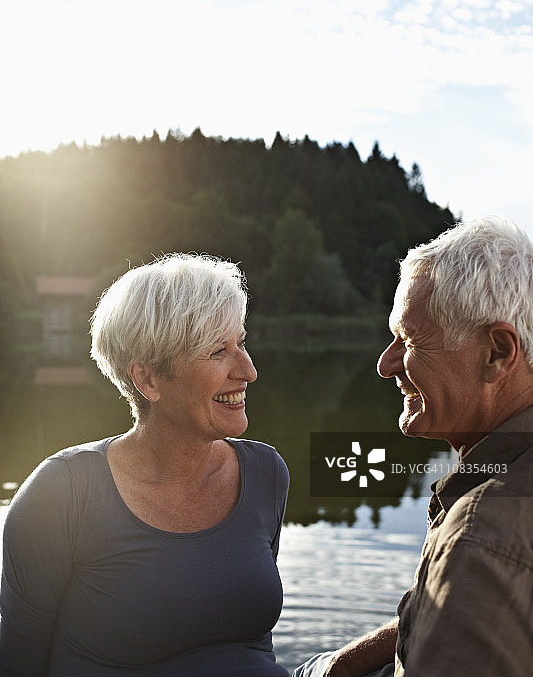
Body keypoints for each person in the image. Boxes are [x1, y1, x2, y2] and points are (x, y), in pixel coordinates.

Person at [0, 253, 290, 676]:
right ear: (148, 379)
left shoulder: (266, 472)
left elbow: (254, 642)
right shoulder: (62, 494)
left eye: (241, 344)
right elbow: (18, 664)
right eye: (218, 351)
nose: (248, 370)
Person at [294, 216, 533, 677]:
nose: (385, 365)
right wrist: (340, 667)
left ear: (497, 352)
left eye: (409, 340)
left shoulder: (479, 536)